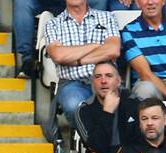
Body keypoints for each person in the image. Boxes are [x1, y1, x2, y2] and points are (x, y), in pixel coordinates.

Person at [42, 0, 120, 138]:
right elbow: (58, 55)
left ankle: (103, 145)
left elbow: (113, 50)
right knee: (74, 106)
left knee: (121, 106)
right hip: (72, 82)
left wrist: (77, 60)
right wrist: (95, 45)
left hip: (105, 78)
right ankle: (91, 146)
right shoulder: (53, 24)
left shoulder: (107, 17)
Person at [72, 62, 141, 153]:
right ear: (93, 82)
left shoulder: (135, 104)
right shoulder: (84, 110)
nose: (103, 81)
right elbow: (98, 146)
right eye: (98, 77)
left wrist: (110, 152)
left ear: (118, 80)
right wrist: (107, 112)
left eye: (109, 76)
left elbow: (140, 143)